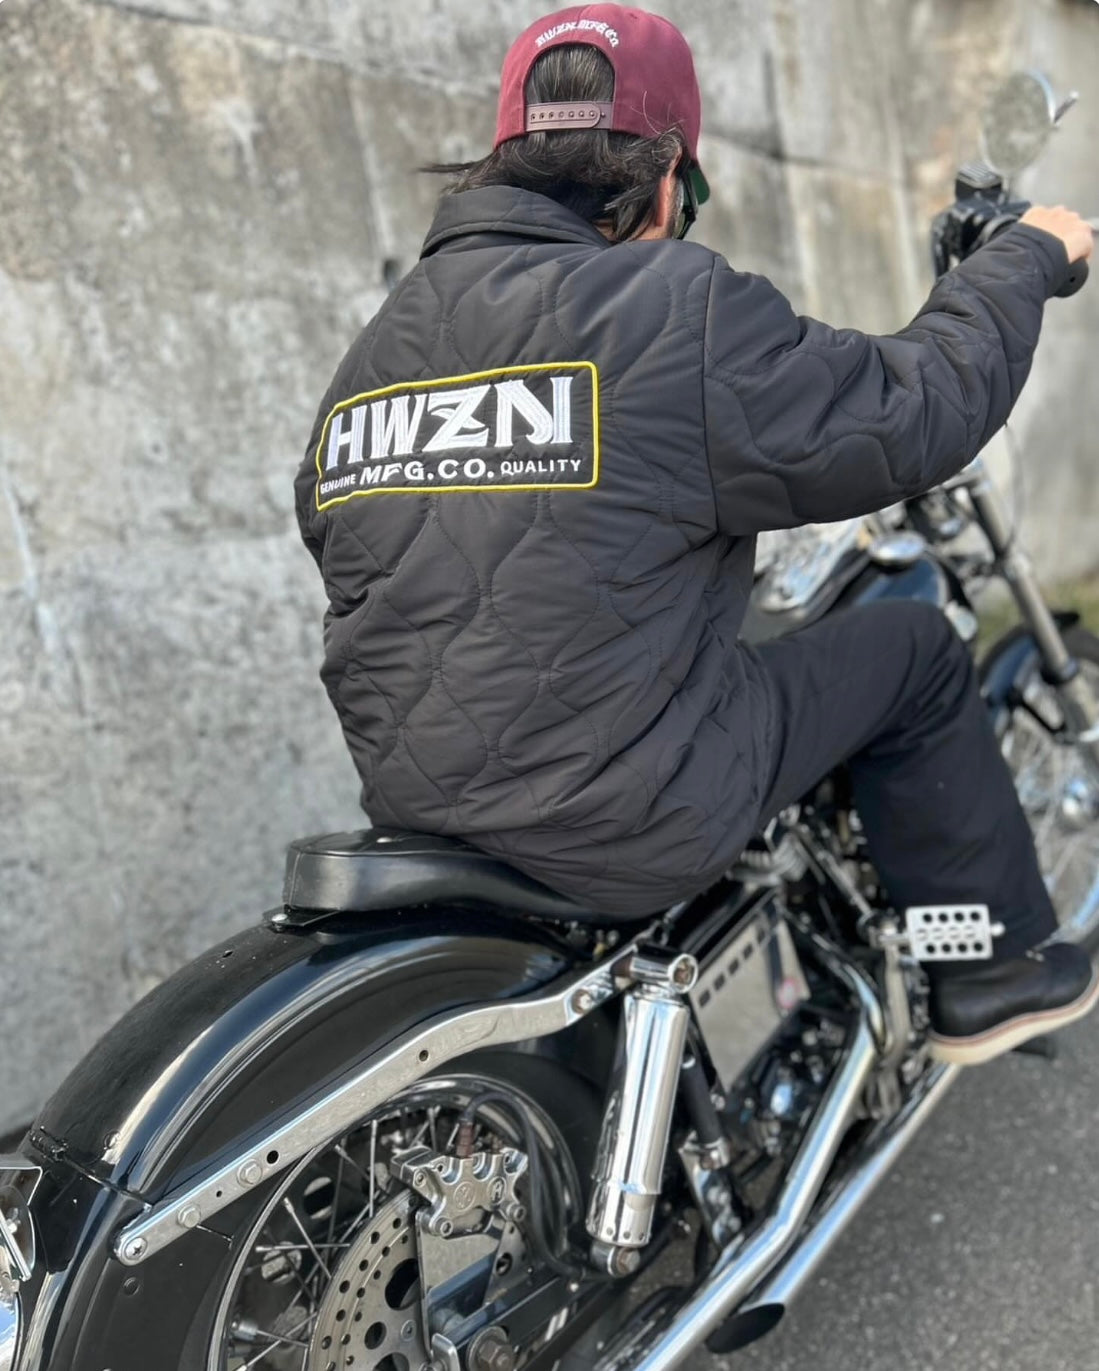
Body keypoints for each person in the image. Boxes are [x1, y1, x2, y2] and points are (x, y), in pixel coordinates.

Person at [295, 3, 1096, 1065]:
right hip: (629, 816)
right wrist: (1024, 258)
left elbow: (344, 537)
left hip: (417, 799)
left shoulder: (379, 346)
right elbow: (908, 415)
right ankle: (989, 975)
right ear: (668, 180)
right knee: (914, 650)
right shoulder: (670, 308)